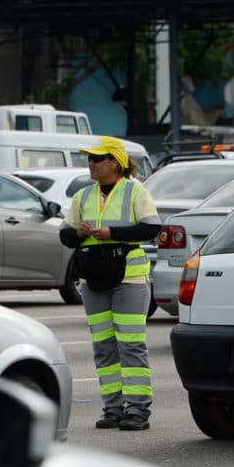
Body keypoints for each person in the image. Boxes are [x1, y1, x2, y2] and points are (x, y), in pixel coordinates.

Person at [60, 136, 161, 431]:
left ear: (113, 163)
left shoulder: (135, 191)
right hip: (94, 280)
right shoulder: (83, 196)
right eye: (89, 160)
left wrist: (111, 232)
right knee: (104, 347)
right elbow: (65, 236)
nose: (90, 164)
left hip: (129, 280)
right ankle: (113, 409)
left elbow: (151, 227)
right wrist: (79, 233)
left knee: (130, 346)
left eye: (96, 159)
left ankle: (138, 411)